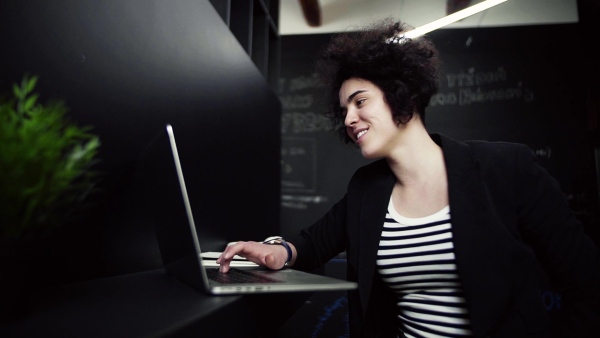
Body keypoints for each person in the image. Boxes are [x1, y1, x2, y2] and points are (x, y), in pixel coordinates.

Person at [217, 18, 600, 337]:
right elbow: (313, 242)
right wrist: (276, 251)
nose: (349, 119)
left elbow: (587, 285)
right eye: (344, 109)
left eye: (360, 101)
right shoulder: (367, 189)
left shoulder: (506, 168)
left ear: (403, 95)